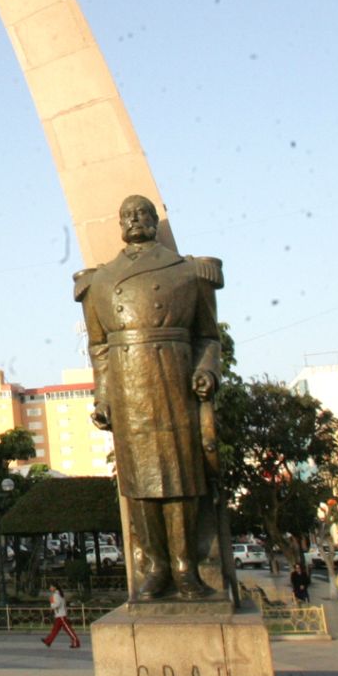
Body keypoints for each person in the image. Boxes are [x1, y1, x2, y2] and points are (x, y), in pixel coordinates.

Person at [75, 196, 223, 602]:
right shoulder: (101, 280)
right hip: (129, 388)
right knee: (140, 484)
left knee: (181, 481)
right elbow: (99, 348)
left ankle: (186, 567)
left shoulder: (188, 272)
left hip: (173, 383)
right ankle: (156, 566)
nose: (135, 219)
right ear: (119, 224)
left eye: (143, 213)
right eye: (127, 214)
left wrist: (206, 370)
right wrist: (102, 397)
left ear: (155, 221)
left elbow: (208, 336)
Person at [42, 583, 80, 649]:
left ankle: (76, 642)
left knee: (68, 630)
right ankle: (48, 641)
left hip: (61, 616)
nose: (50, 588)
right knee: (55, 630)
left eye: (51, 587)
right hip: (60, 615)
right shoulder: (59, 594)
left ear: (55, 587)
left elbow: (57, 604)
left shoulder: (56, 595)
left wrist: (51, 603)